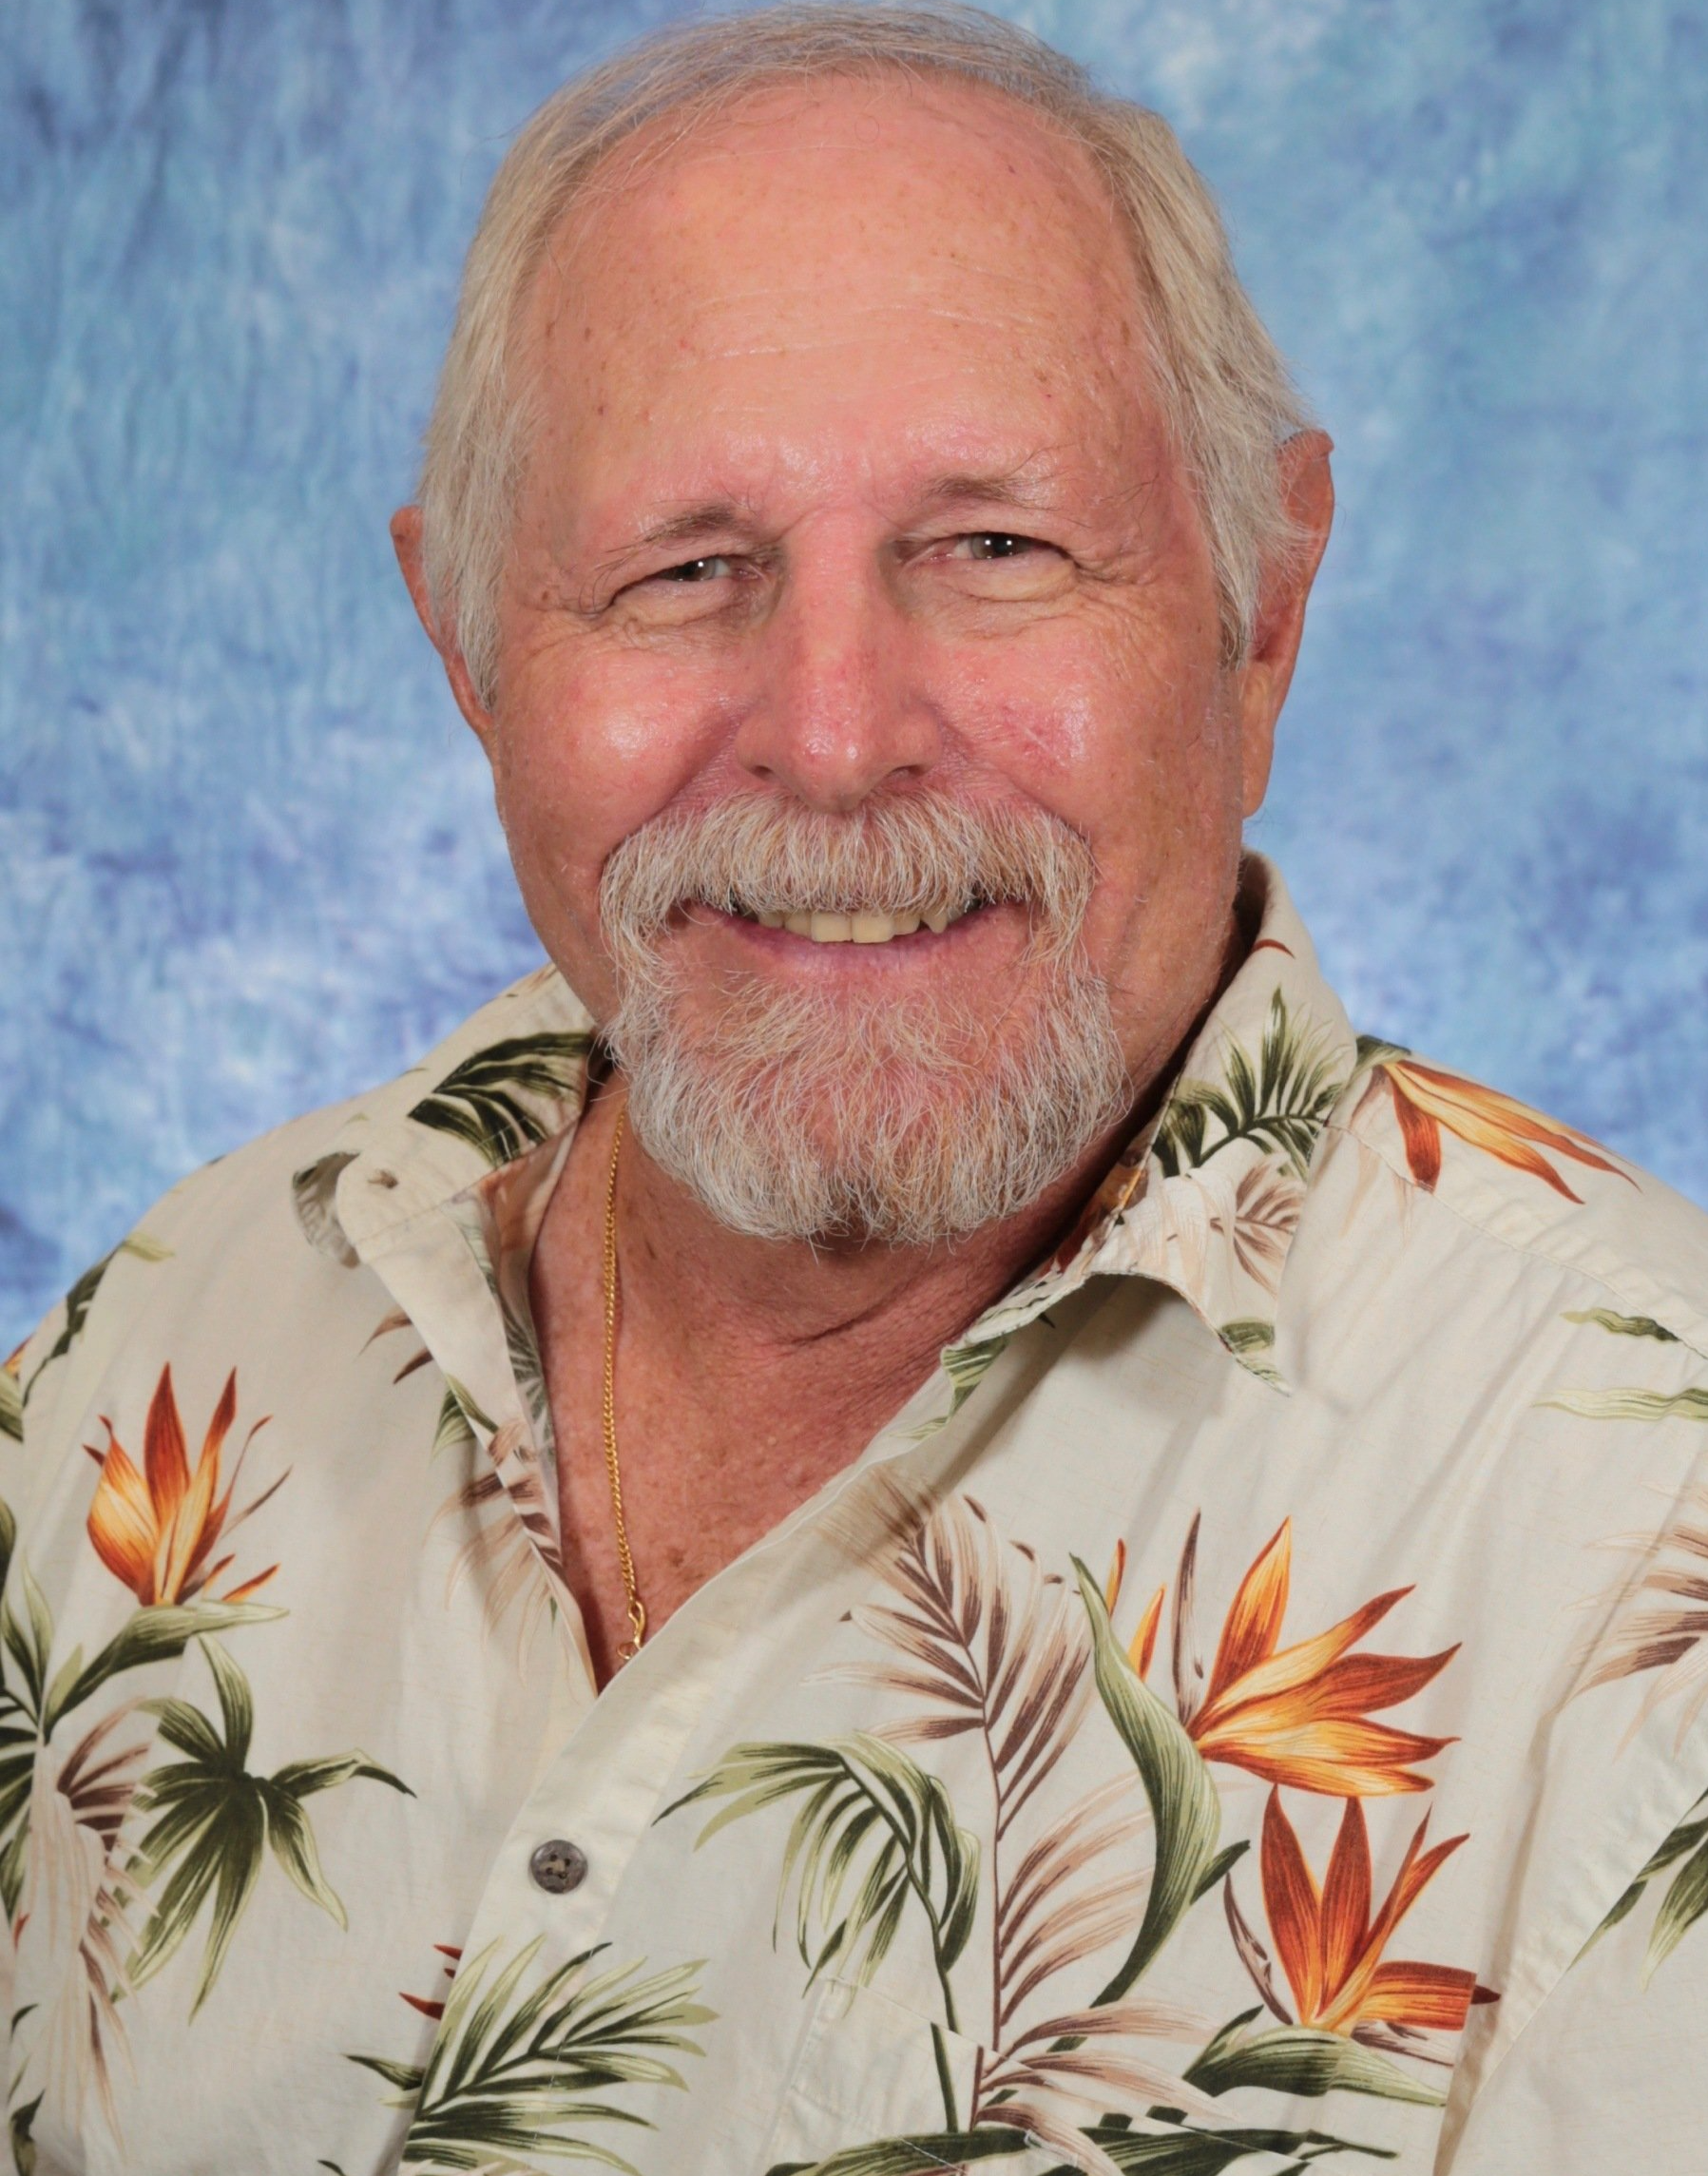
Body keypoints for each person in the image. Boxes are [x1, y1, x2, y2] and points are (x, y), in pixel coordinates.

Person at [4, 5, 1705, 2170]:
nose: (830, 732)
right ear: (466, 646)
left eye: (993, 547)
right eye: (683, 571)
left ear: (1260, 609)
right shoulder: (156, 1356)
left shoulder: (1646, 1542)